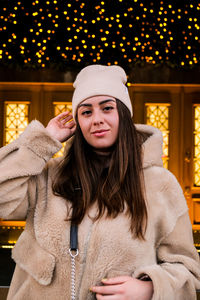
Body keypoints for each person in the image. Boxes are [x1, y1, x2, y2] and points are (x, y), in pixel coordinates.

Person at [0, 64, 200, 300]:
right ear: (77, 122)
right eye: (86, 112)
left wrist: (150, 289)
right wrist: (42, 142)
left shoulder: (161, 185)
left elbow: (188, 270)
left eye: (107, 108)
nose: (97, 119)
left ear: (124, 115)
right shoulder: (47, 177)